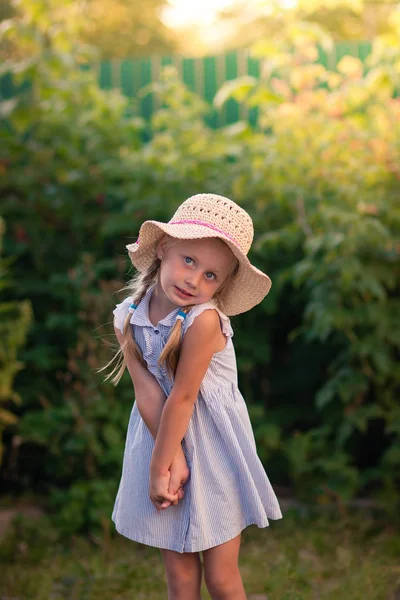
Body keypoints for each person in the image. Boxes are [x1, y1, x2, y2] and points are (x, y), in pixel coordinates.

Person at [103, 193, 282, 600]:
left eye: (211, 276)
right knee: (181, 578)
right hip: (161, 437)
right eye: (189, 261)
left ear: (223, 284)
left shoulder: (204, 322)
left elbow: (183, 398)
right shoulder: (128, 316)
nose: (194, 281)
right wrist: (168, 461)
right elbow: (147, 391)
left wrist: (160, 466)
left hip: (214, 448)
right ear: (164, 247)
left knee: (220, 577)